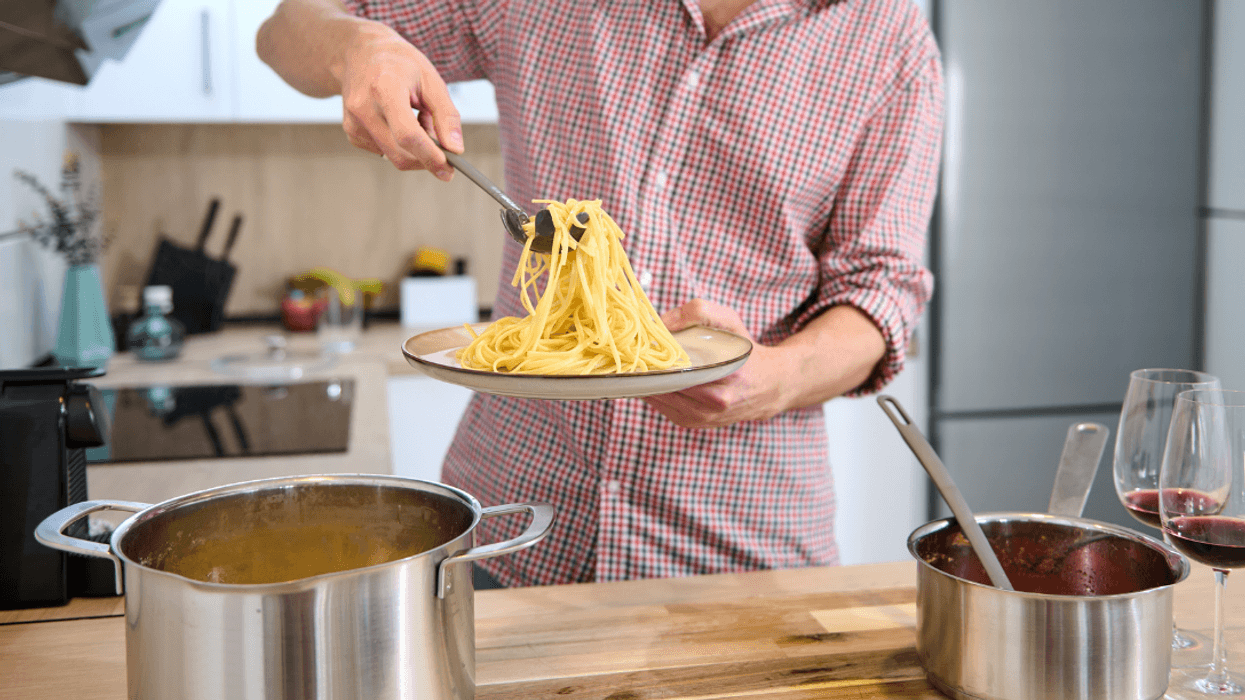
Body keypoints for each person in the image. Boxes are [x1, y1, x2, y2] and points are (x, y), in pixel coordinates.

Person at [258, 0, 944, 586]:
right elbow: (284, 31)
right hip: (512, 528)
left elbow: (881, 290)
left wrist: (779, 377)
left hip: (740, 546)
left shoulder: (887, 36)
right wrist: (357, 44)